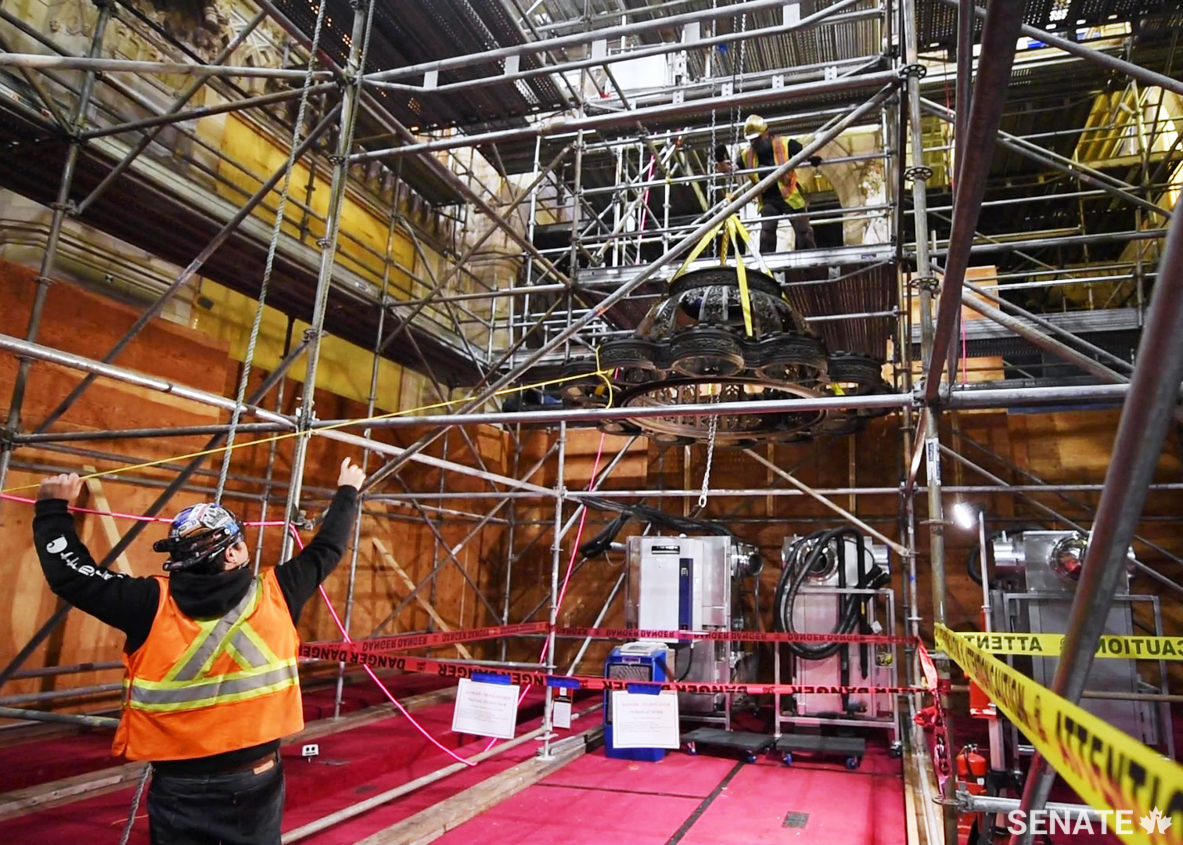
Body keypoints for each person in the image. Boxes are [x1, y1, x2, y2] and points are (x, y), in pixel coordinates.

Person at [33, 457, 367, 845]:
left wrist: (52, 508)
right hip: (254, 778)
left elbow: (71, 575)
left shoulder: (148, 604)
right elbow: (328, 546)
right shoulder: (277, 594)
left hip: (179, 784)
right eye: (240, 544)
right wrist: (347, 490)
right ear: (230, 554)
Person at [715, 114, 821, 254]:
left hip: (789, 196)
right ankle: (766, 261)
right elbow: (730, 171)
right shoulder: (747, 155)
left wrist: (812, 159)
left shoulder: (784, 144)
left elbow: (804, 152)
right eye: (751, 140)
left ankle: (810, 258)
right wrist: (720, 160)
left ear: (766, 133)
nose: (755, 143)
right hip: (768, 200)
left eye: (757, 139)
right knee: (766, 233)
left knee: (804, 231)